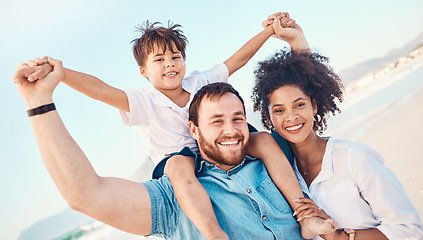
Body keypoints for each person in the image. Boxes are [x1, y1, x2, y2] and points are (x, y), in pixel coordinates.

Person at [15, 13, 336, 239]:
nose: (170, 64)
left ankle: (304, 213)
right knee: (181, 168)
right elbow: (101, 90)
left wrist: (269, 32)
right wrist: (61, 74)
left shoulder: (202, 82)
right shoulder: (144, 100)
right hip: (178, 158)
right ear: (143, 71)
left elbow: (238, 59)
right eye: (159, 60)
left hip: (227, 150)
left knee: (264, 139)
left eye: (175, 57)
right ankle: (213, 234)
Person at [251, 49, 423, 239]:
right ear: (269, 118)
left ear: (313, 106)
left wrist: (339, 237)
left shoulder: (354, 158)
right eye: (279, 110)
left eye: (299, 105)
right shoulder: (283, 177)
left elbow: (409, 229)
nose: (291, 117)